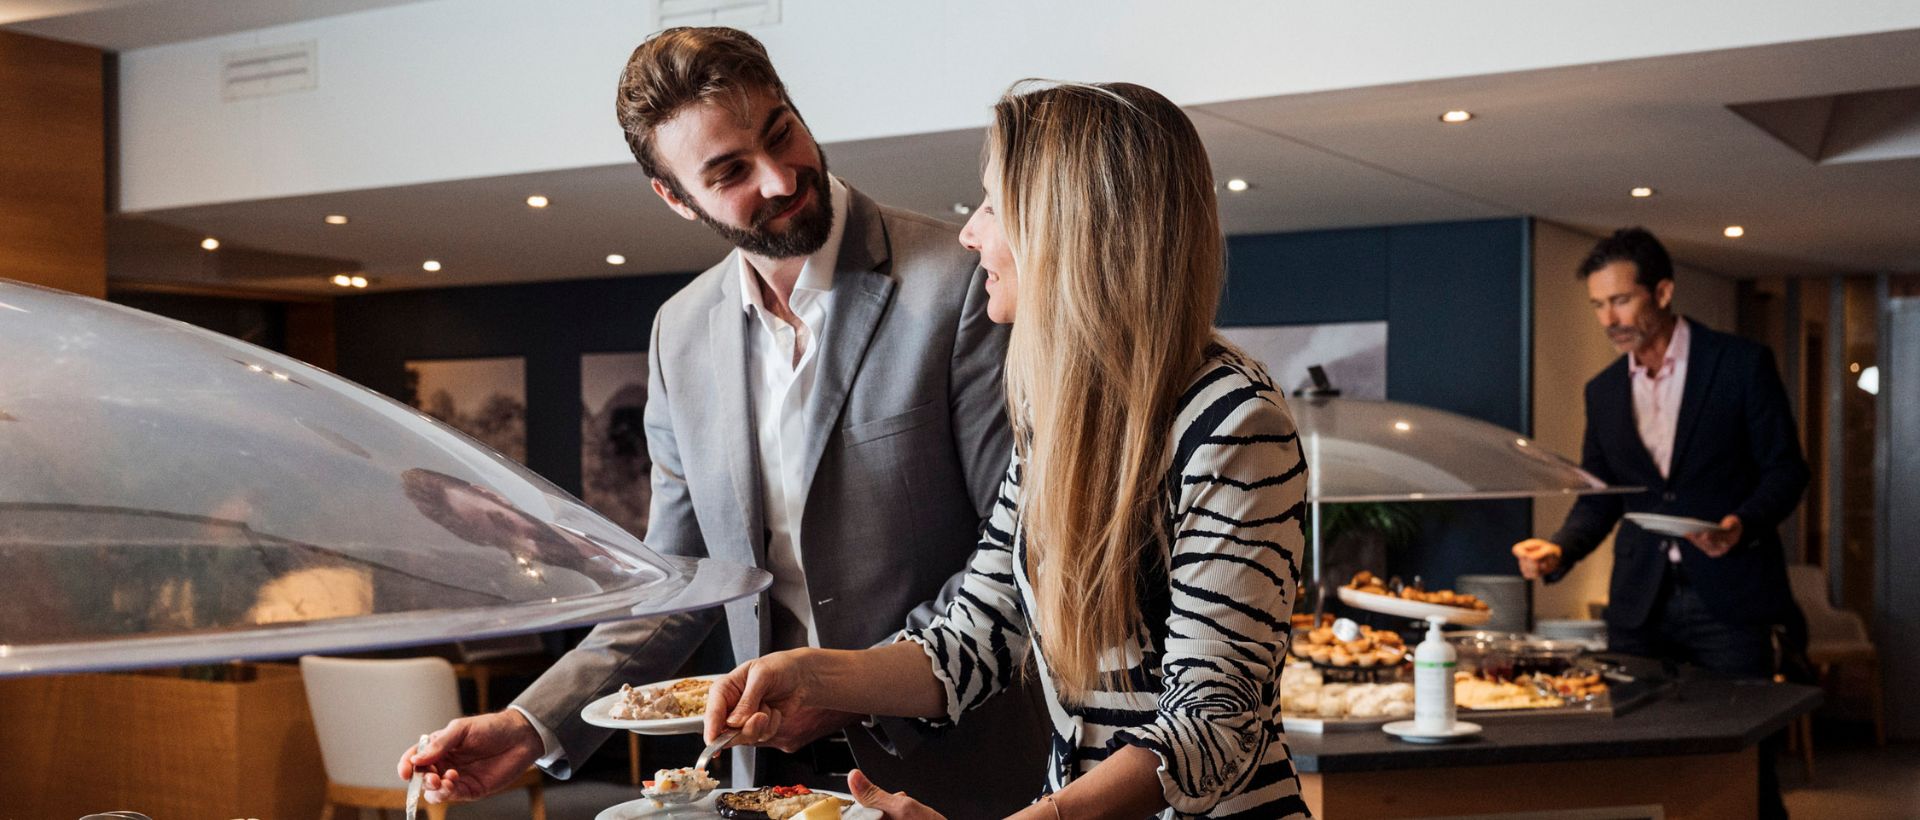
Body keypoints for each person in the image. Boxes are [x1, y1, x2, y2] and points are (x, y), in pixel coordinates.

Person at [398, 27, 1047, 815]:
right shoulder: (679, 331)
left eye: (781, 133)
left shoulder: (960, 283)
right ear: (675, 197)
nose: (780, 178)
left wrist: (844, 688)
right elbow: (678, 584)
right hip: (760, 778)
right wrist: (530, 723)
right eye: (730, 170)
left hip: (952, 770)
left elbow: (1019, 553)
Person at [704, 81, 1310, 819]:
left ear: (1071, 226)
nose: (970, 235)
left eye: (992, 205)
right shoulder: (1053, 414)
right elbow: (980, 632)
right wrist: (815, 677)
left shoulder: (1232, 420)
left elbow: (1214, 723)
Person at [1511, 226, 1807, 818]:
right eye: (1598, 304)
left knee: (1743, 763)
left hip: (1729, 601)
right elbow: (1602, 497)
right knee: (1636, 761)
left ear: (1664, 292)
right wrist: (1560, 550)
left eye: (1620, 300)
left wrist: (1740, 524)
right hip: (1639, 605)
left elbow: (1787, 471)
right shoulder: (1603, 392)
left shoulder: (1740, 364)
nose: (1608, 318)